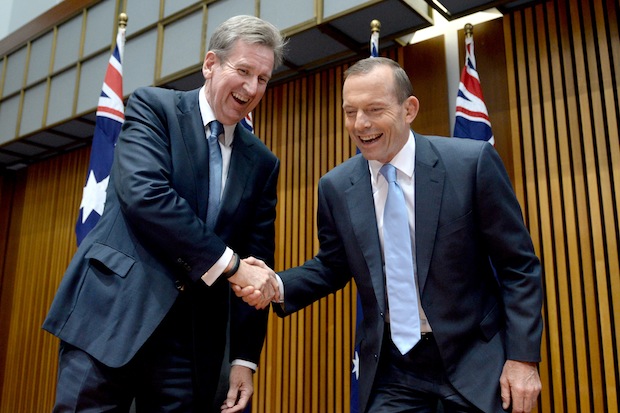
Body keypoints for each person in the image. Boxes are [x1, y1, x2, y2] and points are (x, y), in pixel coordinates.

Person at [239, 57, 543, 412]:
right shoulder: (336, 186)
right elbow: (332, 266)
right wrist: (277, 284)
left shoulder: (470, 164)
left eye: (374, 109)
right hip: (395, 370)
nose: (360, 124)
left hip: (475, 360)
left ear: (409, 109)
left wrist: (523, 359)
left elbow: (518, 266)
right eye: (350, 112)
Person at [43, 15, 284, 413]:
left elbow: (256, 261)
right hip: (113, 317)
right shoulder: (154, 108)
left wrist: (244, 358)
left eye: (263, 78)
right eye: (243, 71)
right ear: (211, 64)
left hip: (190, 347)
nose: (252, 88)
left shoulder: (262, 162)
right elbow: (146, 197)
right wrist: (232, 266)